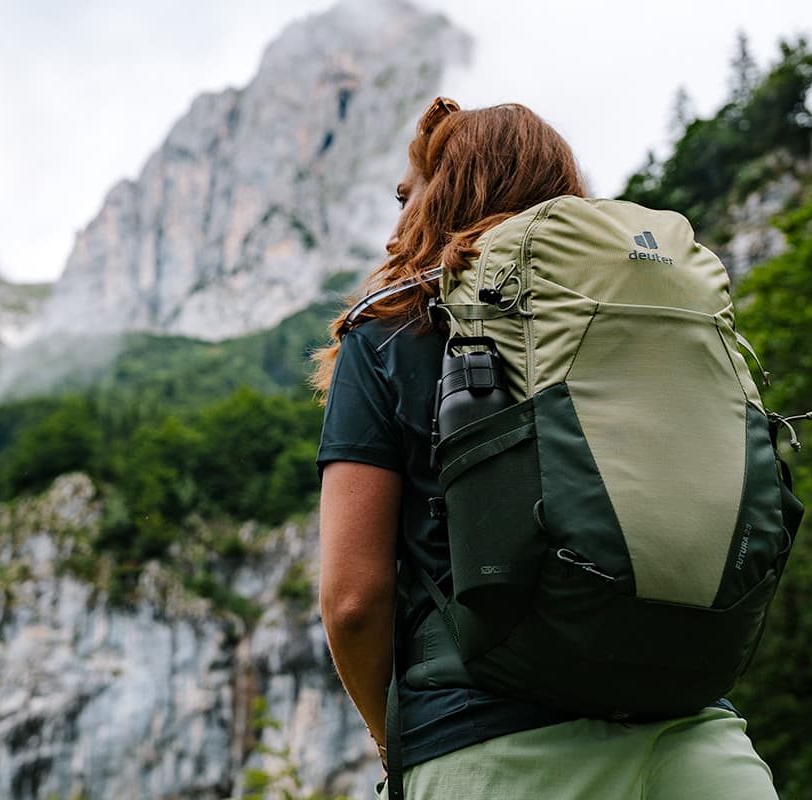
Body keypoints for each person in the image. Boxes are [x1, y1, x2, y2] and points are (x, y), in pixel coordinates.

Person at [311, 97, 778, 799]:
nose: (392, 233)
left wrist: (394, 741)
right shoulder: (648, 320)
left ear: (449, 191)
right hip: (697, 738)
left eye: (407, 197)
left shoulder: (385, 335)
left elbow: (352, 602)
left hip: (488, 745)